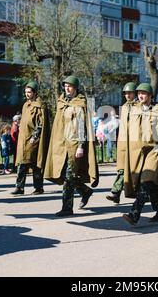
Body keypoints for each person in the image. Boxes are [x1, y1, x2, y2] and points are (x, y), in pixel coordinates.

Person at [121, 83, 158, 225]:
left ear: (150, 95)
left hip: (154, 150)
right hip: (138, 152)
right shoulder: (134, 110)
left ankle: (134, 214)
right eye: (139, 93)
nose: (140, 96)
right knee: (150, 183)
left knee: (146, 181)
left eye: (144, 93)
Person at [44, 75, 99, 217]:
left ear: (75, 88)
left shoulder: (79, 104)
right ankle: (85, 191)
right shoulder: (61, 102)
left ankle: (67, 207)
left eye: (70, 86)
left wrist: (81, 145)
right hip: (61, 144)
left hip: (74, 144)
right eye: (65, 86)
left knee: (69, 176)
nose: (67, 88)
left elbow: (82, 126)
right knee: (62, 173)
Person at [12, 81, 50, 196]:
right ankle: (19, 187)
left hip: (33, 140)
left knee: (35, 164)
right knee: (21, 163)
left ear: (34, 92)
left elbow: (40, 123)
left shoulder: (40, 105)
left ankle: (38, 187)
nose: (27, 94)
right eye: (26, 92)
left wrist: (35, 136)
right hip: (23, 139)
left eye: (29, 92)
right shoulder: (26, 105)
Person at [106, 82, 137, 204]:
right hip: (124, 143)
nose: (127, 95)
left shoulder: (139, 107)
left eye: (130, 93)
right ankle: (116, 193)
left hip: (135, 143)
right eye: (126, 93)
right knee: (122, 169)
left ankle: (117, 193)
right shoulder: (124, 107)